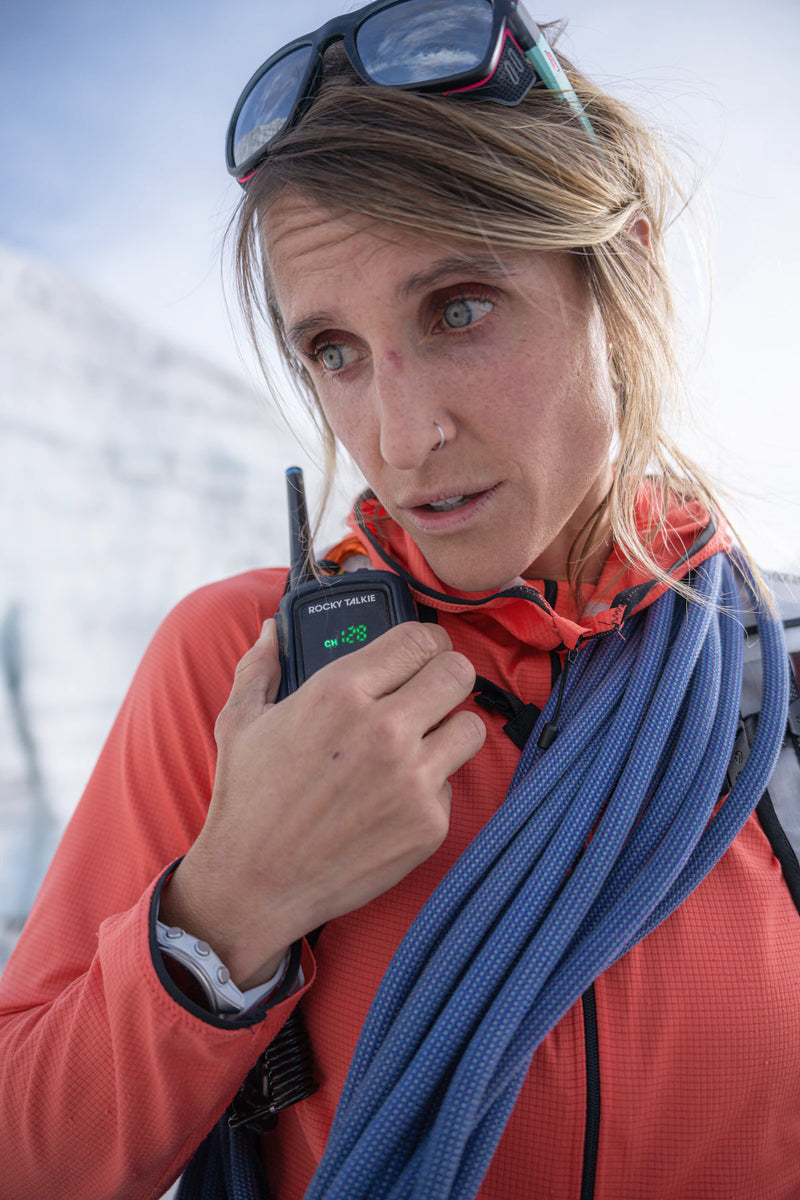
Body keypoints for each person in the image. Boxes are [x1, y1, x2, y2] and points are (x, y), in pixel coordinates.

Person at [1, 3, 798, 1198]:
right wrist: (227, 910)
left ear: (622, 266)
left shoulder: (773, 682)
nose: (399, 434)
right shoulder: (247, 672)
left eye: (457, 308)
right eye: (333, 349)